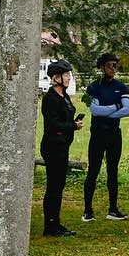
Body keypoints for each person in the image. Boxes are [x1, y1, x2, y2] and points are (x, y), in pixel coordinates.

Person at [82, 52, 129, 222]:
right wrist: (116, 106)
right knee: (93, 171)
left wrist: (108, 113)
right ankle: (88, 210)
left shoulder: (122, 87)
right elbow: (95, 110)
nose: (113, 68)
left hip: (114, 134)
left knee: (113, 171)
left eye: (115, 65)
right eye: (109, 65)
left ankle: (113, 209)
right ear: (102, 67)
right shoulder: (92, 87)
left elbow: (127, 110)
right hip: (97, 133)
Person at [39, 60, 83, 236]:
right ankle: (50, 225)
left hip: (63, 145)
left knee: (59, 186)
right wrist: (73, 126)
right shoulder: (50, 98)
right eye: (66, 75)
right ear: (56, 78)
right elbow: (52, 124)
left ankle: (55, 223)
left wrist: (73, 123)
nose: (69, 78)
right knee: (54, 186)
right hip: (53, 146)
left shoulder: (64, 96)